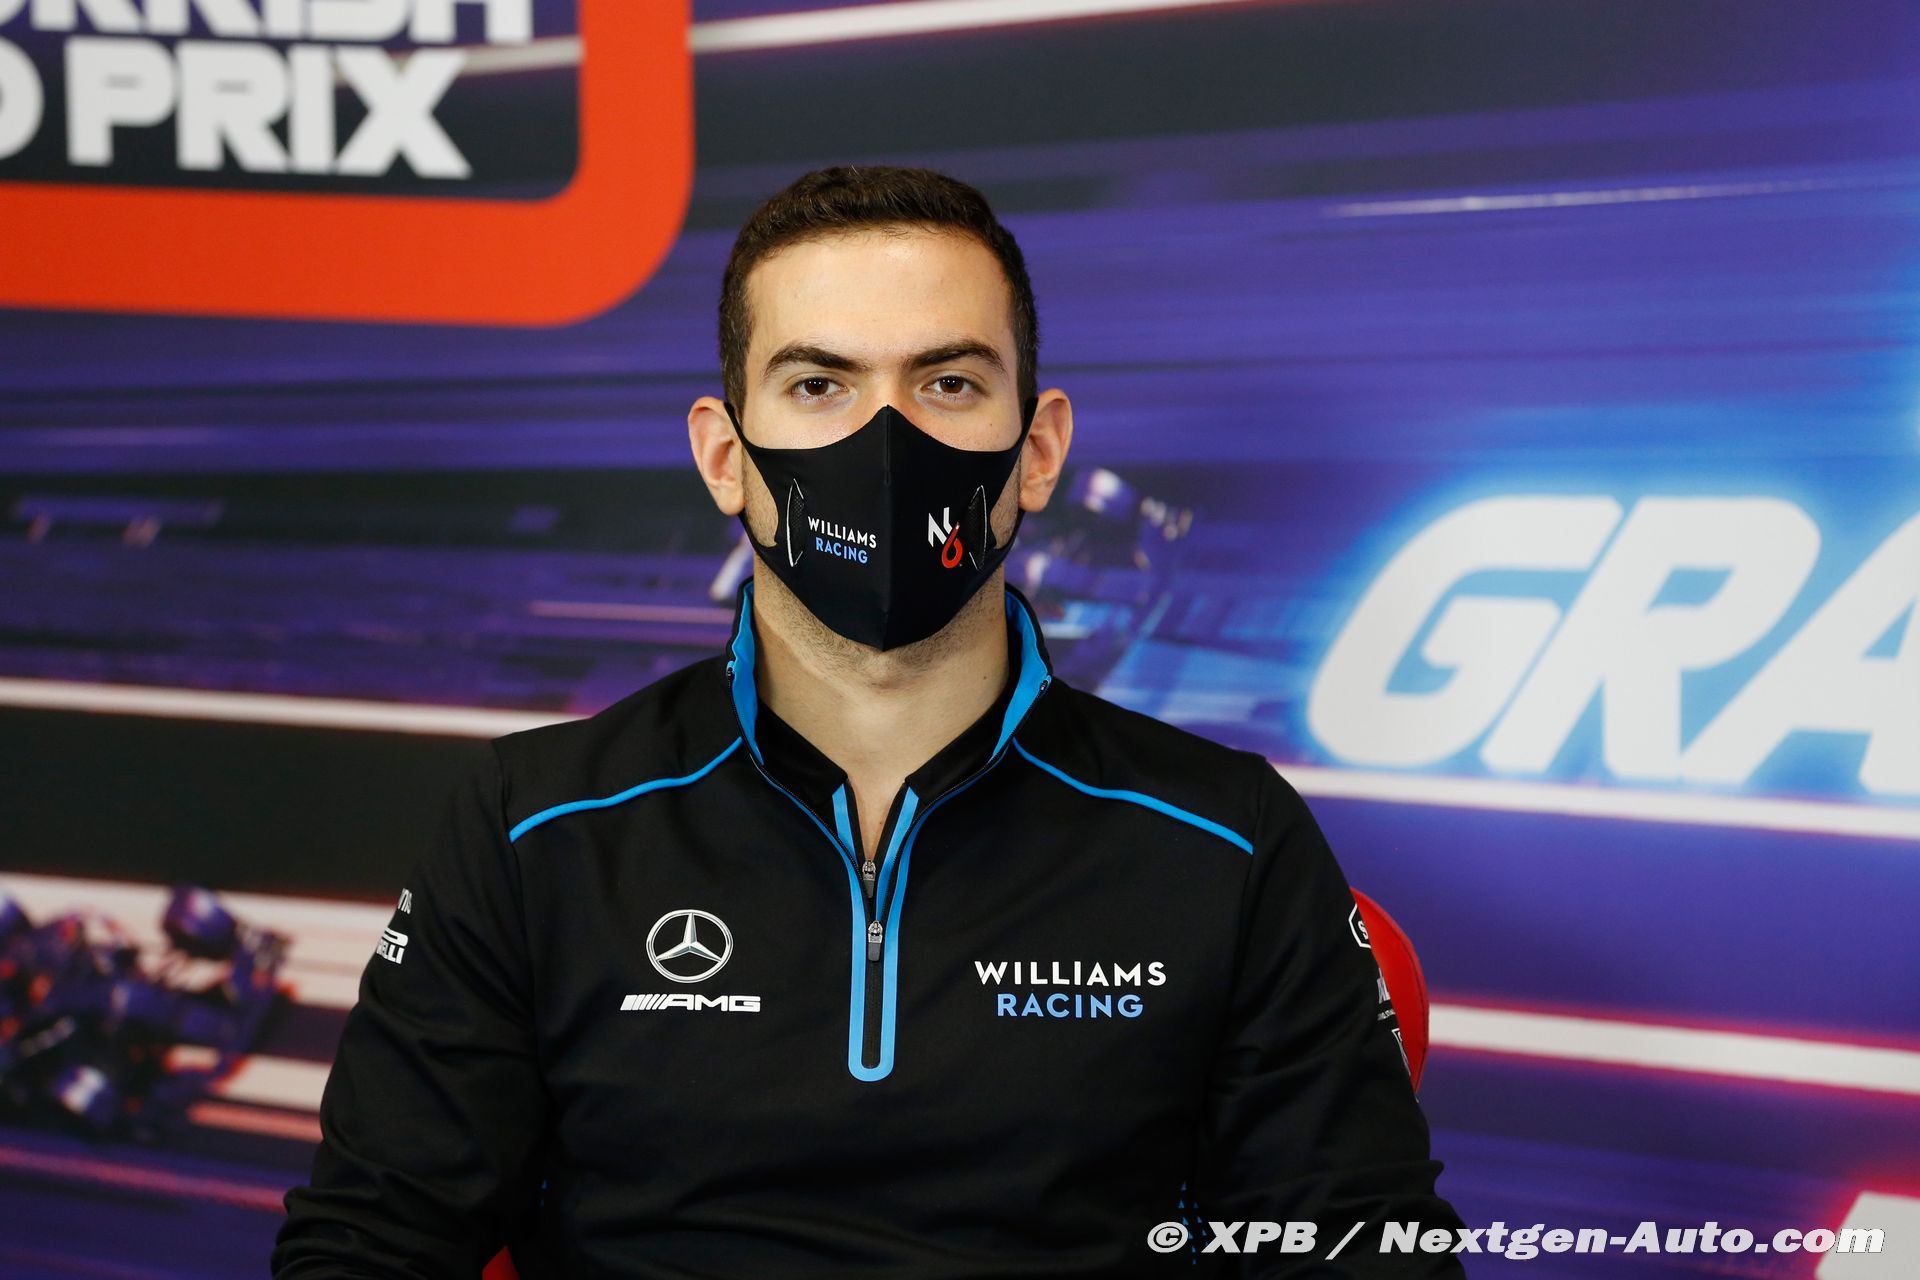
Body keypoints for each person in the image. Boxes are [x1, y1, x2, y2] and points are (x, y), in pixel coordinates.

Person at [273, 165, 1469, 1278]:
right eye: (819, 385)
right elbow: (370, 1244)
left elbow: (1363, 1252)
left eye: (948, 382)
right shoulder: (535, 824)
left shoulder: (1228, 836)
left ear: (1038, 449)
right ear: (724, 456)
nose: (885, 440)